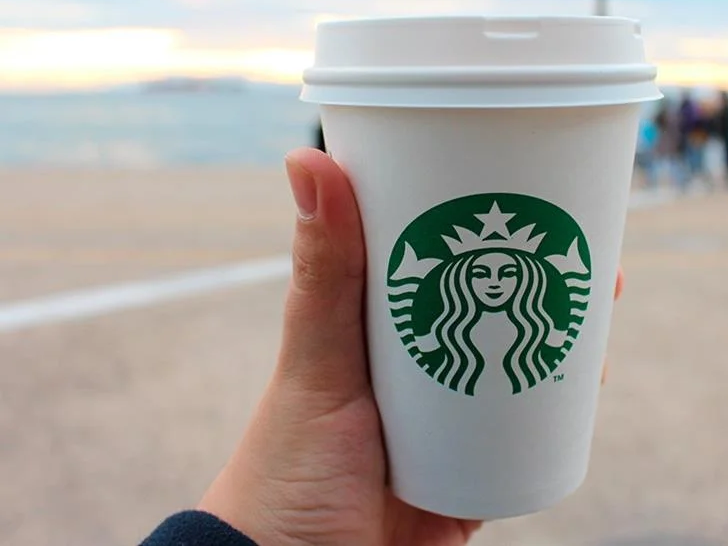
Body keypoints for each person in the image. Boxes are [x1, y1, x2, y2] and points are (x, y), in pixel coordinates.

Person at [140, 147, 625, 546]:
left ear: (530, 279)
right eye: (480, 271)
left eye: (508, 272)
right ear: (459, 279)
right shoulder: (447, 338)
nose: (493, 282)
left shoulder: (534, 336)